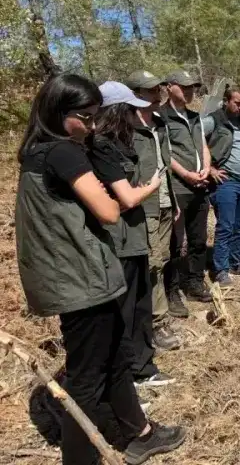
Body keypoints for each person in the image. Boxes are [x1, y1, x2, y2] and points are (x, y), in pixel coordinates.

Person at [15, 74, 185, 465]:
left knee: (115, 356)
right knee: (88, 378)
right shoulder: (64, 152)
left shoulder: (36, 152)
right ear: (58, 112)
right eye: (86, 117)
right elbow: (109, 211)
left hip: (77, 276)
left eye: (96, 116)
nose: (92, 126)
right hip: (81, 280)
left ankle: (140, 433)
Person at [89, 81, 175, 388]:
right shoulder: (99, 147)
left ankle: (143, 368)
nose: (133, 116)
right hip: (119, 240)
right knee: (124, 310)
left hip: (135, 236)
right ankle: (125, 376)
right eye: (128, 111)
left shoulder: (119, 144)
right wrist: (151, 187)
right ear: (116, 112)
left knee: (140, 305)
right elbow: (125, 198)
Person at [126, 71, 181, 351]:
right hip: (144, 205)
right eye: (150, 90)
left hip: (165, 202)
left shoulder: (160, 123)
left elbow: (166, 166)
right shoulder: (126, 127)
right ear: (135, 94)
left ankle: (156, 318)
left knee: (163, 259)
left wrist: (174, 200)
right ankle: (155, 324)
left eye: (158, 89)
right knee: (152, 264)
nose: (157, 94)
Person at [162, 69, 212, 308]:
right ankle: (172, 291)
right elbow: (165, 153)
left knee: (199, 239)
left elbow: (203, 146)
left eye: (192, 87)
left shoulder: (194, 117)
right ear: (169, 87)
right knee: (174, 242)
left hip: (200, 186)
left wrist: (207, 168)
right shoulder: (161, 117)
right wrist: (185, 174)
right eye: (184, 87)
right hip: (178, 187)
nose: (190, 91)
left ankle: (195, 283)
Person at [202, 84, 240, 286]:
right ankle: (221, 269)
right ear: (226, 101)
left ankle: (236, 262)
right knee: (226, 226)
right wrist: (210, 169)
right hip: (225, 182)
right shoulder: (213, 120)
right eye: (237, 103)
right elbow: (195, 139)